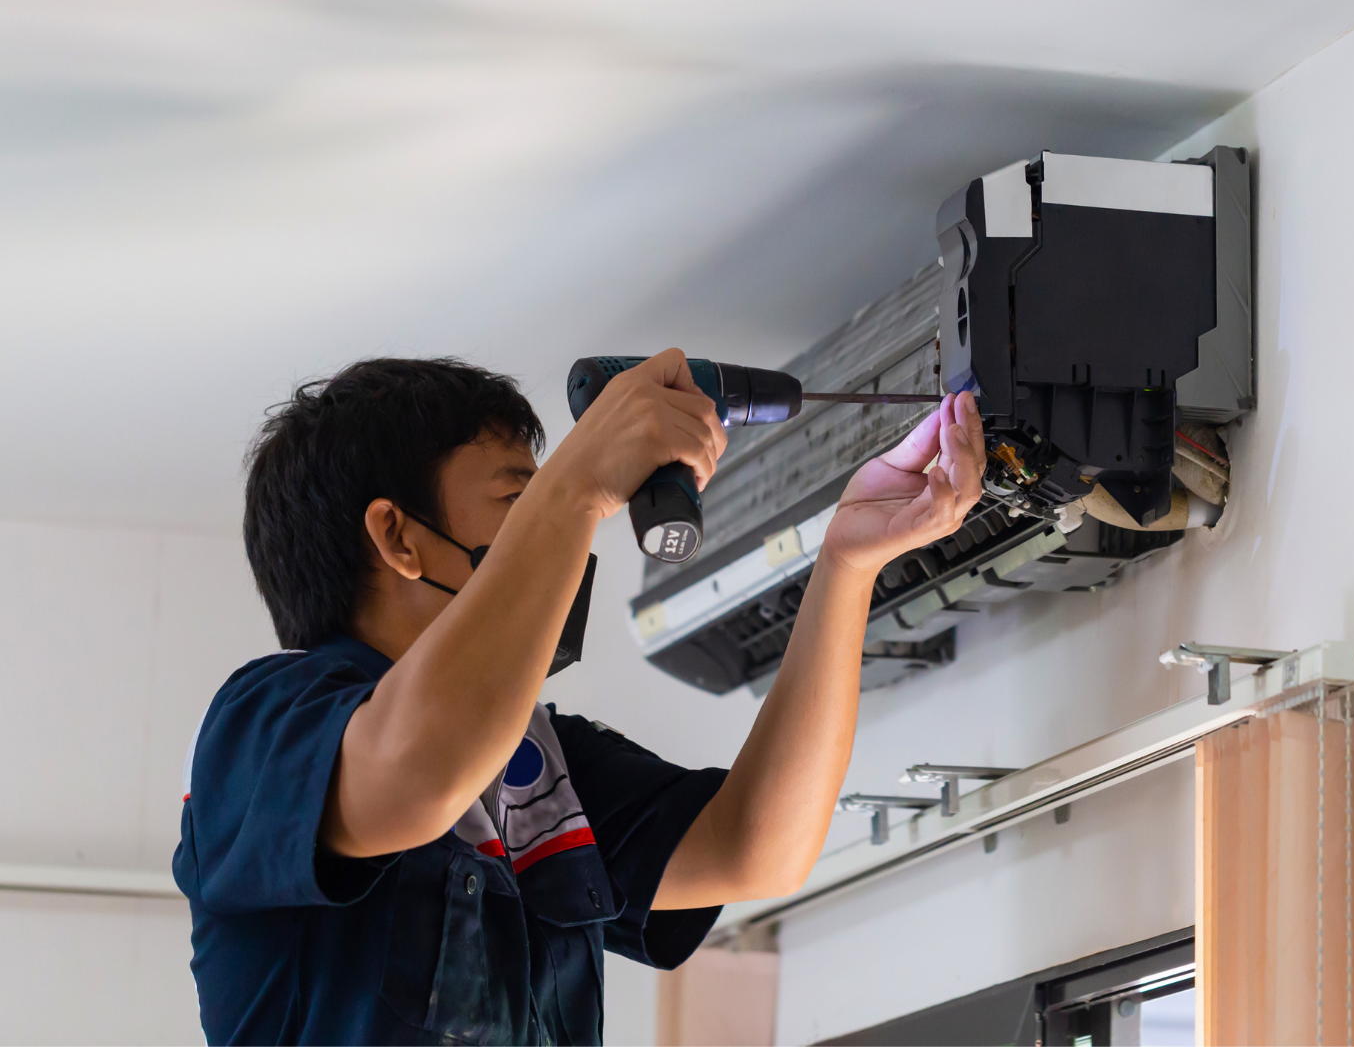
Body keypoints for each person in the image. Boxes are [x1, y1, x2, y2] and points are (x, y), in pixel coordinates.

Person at [174, 351, 985, 1045]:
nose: (558, 539)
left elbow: (754, 846)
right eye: (517, 501)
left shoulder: (538, 764)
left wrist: (846, 566)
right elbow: (420, 772)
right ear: (397, 537)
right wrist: (573, 488)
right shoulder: (261, 725)